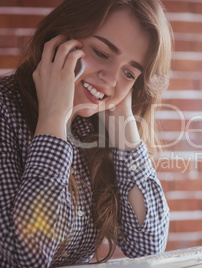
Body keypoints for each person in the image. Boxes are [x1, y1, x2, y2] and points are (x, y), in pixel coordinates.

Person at [0, 0, 172, 266]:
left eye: (129, 72)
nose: (111, 78)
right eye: (102, 53)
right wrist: (54, 119)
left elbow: (149, 245)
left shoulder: (95, 124)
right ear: (61, 39)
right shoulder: (5, 110)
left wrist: (122, 118)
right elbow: (27, 259)